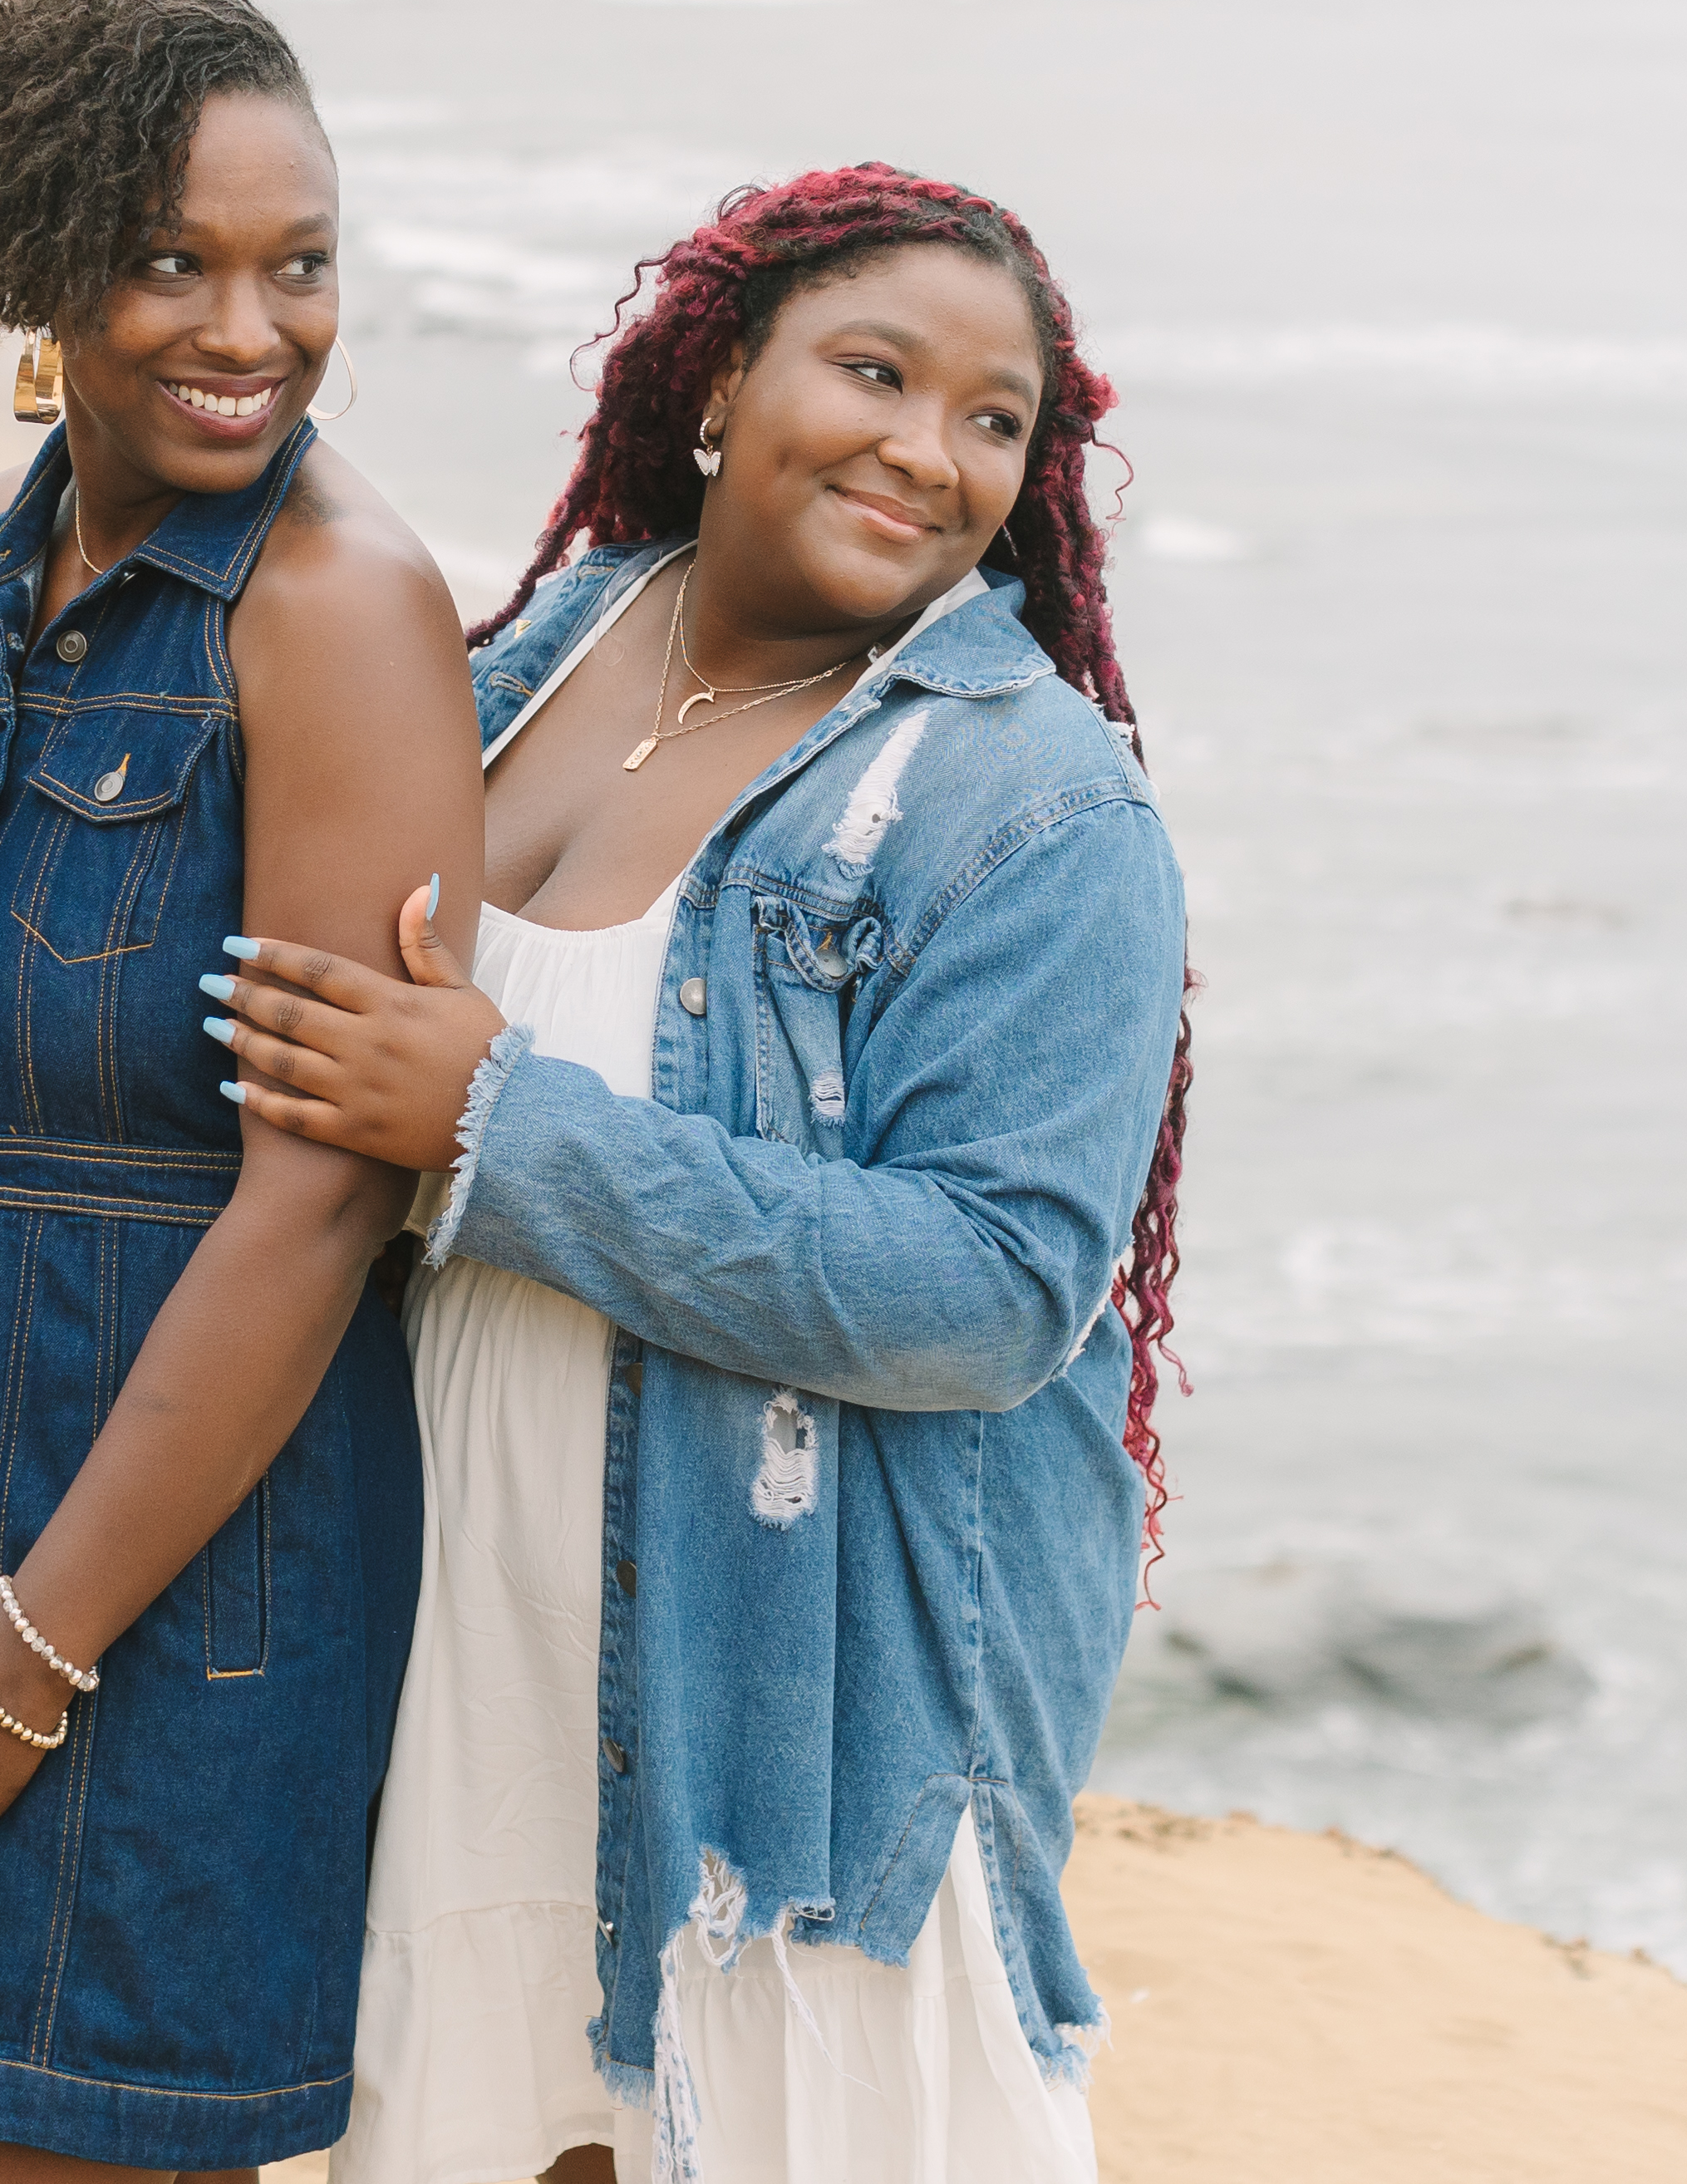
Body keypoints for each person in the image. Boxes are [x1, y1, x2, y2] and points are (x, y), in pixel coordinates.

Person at [219, 166, 1197, 2184]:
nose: (927, 449)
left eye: (993, 418)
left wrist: (498, 1128)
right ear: (720, 382)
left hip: (777, 1691)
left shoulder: (1033, 800)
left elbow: (993, 1286)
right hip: (446, 1627)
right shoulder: (562, 639)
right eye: (874, 371)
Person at [0, 0, 480, 2182]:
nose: (249, 326)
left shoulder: (338, 607)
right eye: (171, 259)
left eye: (299, 266)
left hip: (172, 1598)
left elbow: (319, 1197)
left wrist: (29, 1657)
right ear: (34, 268)